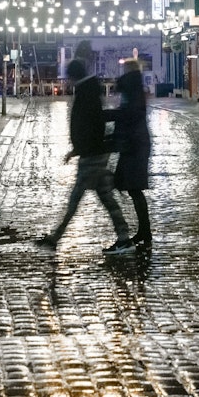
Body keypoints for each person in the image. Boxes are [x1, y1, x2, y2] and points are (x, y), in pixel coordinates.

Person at [37, 58, 135, 255]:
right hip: (94, 152)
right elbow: (91, 123)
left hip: (92, 156)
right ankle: (124, 237)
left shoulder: (85, 92)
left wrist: (80, 149)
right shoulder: (88, 89)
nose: (68, 82)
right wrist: (76, 150)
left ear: (74, 76)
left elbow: (88, 125)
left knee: (75, 200)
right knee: (107, 198)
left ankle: (55, 238)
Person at [106, 59, 152, 247]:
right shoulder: (134, 88)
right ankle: (143, 231)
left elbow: (128, 114)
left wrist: (106, 116)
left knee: (133, 189)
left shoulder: (130, 89)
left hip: (134, 145)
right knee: (133, 189)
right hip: (135, 144)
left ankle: (142, 232)